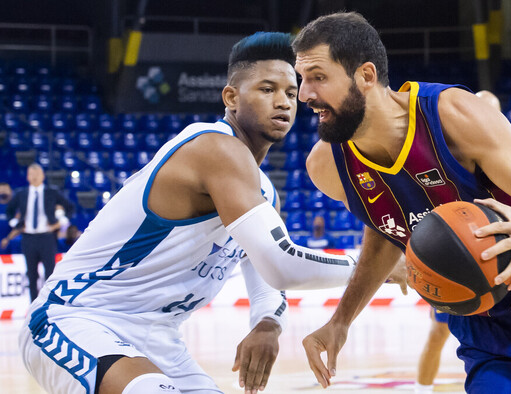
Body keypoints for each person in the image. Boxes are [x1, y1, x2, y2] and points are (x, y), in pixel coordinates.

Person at [293, 12, 511, 393]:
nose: (303, 94)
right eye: (301, 79)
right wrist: (341, 320)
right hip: (486, 332)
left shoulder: (453, 116)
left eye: (318, 77)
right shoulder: (326, 166)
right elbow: (383, 230)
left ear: (365, 76)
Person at [19, 32, 360, 394]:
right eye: (267, 89)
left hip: (159, 339)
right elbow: (282, 263)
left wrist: (267, 325)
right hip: (76, 317)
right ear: (231, 97)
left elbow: (268, 281)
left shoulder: (263, 191)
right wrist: (374, 269)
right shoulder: (212, 146)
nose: (283, 102)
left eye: (291, 93)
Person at [413, 90, 501, 394]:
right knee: (437, 334)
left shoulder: (507, 157)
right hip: (457, 258)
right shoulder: (446, 159)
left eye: (492, 114)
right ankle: (420, 390)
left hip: (496, 258)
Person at [5, 164, 75, 302]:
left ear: (43, 176)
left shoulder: (51, 192)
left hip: (47, 237)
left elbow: (70, 207)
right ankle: (33, 308)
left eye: (37, 173)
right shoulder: (22, 194)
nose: (35, 176)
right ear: (27, 176)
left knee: (50, 273)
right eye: (32, 174)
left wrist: (59, 222)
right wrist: (17, 225)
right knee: (31, 275)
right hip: (28, 238)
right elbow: (9, 212)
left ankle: (49, 304)